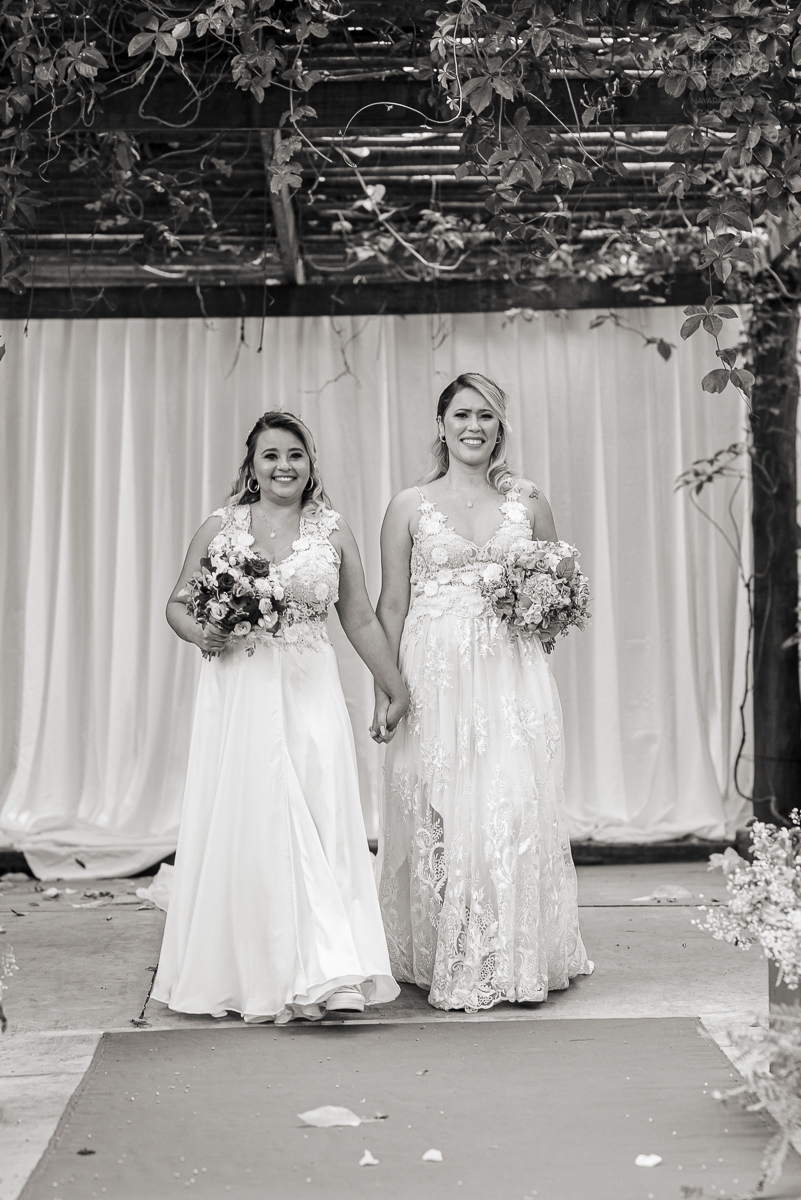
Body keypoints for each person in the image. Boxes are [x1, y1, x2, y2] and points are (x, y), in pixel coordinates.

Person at [152, 411, 406, 1024]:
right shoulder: (221, 526)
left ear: (310, 463)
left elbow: (362, 619)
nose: (283, 466)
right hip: (241, 690)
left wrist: (394, 687)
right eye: (271, 456)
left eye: (294, 454)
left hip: (309, 686)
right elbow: (178, 605)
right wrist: (204, 632)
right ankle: (270, 970)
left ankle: (332, 967)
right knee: (259, 815)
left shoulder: (334, 531)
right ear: (252, 465)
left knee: (317, 814)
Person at [373, 373, 592, 1012]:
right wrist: (385, 688)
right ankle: (448, 950)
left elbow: (562, 596)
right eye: (463, 414)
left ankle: (511, 954)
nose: (475, 426)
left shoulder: (529, 501)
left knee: (511, 807)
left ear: (501, 428)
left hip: (509, 677)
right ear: (442, 424)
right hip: (432, 674)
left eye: (488, 417)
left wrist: (525, 647)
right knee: (439, 811)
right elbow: (391, 603)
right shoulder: (409, 505)